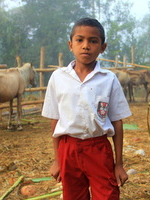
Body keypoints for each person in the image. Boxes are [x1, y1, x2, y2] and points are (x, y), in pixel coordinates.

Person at [42, 17, 132, 200]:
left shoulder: (109, 79)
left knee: (107, 195)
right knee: (73, 196)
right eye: (80, 40)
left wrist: (119, 164)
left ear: (102, 47)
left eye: (93, 41)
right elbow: (55, 120)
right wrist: (57, 160)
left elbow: (117, 122)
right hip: (68, 149)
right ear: (70, 44)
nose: (86, 46)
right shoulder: (58, 78)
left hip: (98, 148)